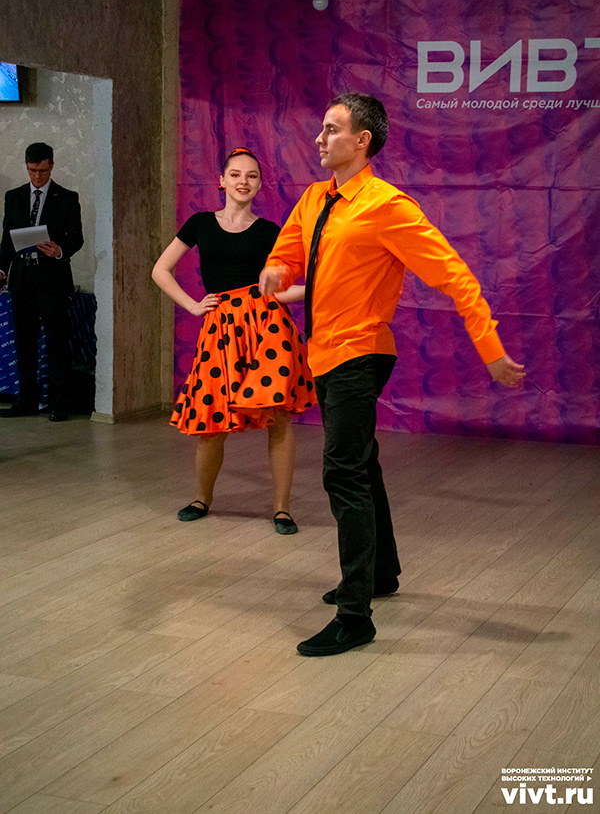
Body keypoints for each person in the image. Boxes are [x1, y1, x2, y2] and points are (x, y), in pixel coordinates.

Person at [259, 92, 525, 656]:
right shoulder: (314, 199)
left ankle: (355, 616)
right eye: (321, 128)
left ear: (362, 141)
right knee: (361, 463)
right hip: (323, 352)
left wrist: (490, 347)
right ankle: (381, 574)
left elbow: (454, 274)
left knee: (342, 475)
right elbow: (287, 253)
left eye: (332, 129)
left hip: (360, 352)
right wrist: (275, 271)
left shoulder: (388, 206)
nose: (320, 139)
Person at [152, 147, 316, 534]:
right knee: (212, 420)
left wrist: (317, 287)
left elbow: (281, 289)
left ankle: (282, 508)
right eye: (237, 175)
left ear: (259, 184)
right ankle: (202, 498)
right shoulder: (200, 223)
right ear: (222, 181)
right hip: (221, 330)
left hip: (268, 329)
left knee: (278, 417)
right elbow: (160, 269)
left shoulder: (270, 232)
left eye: (252, 176)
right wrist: (193, 305)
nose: (244, 181)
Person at [0, 142, 83, 422]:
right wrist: (2, 269)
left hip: (52, 279)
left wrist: (59, 250)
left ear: (52, 166)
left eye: (43, 171)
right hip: (22, 278)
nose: (38, 176)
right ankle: (26, 398)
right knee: (24, 342)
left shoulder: (67, 198)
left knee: (57, 341)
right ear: (26, 167)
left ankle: (61, 402)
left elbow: (76, 238)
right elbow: (7, 238)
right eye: (33, 171)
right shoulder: (14, 196)